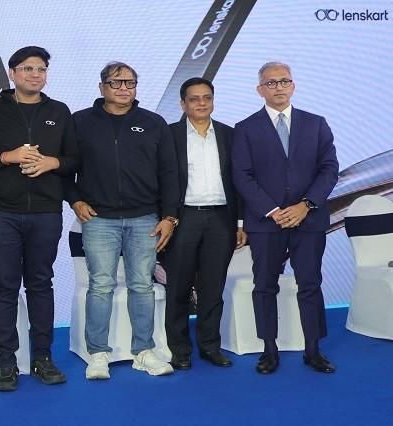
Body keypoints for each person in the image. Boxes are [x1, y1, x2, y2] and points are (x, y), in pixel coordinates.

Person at [0, 46, 77, 391]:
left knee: (41, 283)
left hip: (46, 212)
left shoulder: (59, 111)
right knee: (5, 285)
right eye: (27, 68)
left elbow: (75, 159)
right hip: (2, 212)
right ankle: (6, 361)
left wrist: (53, 163)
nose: (35, 74)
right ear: (12, 73)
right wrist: (6, 157)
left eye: (41, 69)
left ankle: (42, 357)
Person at [68, 62, 179, 380]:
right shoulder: (80, 122)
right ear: (102, 86)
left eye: (130, 83)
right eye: (116, 83)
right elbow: (64, 167)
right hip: (98, 220)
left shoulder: (153, 123)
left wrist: (169, 216)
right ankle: (98, 354)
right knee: (101, 285)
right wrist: (74, 199)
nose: (123, 89)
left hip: (145, 219)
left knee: (142, 285)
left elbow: (169, 173)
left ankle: (143, 351)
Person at [232, 62, 339, 374]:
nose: (278, 87)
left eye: (284, 81)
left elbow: (329, 168)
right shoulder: (245, 128)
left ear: (293, 86)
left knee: (310, 284)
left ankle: (313, 350)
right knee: (265, 285)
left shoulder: (316, 124)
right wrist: (273, 211)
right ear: (259, 89)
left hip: (309, 220)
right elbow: (242, 175)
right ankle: (269, 350)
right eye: (271, 82)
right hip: (266, 223)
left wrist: (306, 205)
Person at [164, 77, 246, 370]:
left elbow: (240, 181)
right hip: (183, 218)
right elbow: (161, 180)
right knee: (178, 287)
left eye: (207, 97)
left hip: (221, 219)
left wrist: (240, 222)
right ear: (182, 103)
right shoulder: (169, 135)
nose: (201, 103)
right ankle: (179, 350)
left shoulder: (230, 135)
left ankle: (210, 346)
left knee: (213, 287)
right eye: (194, 98)